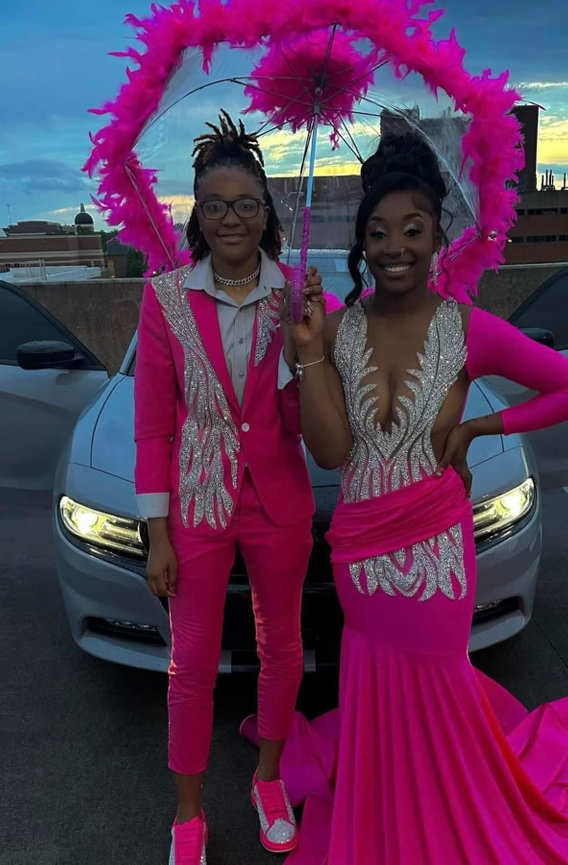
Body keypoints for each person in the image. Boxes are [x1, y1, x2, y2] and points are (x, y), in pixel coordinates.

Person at [246, 133, 568, 864]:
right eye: (378, 232)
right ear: (362, 242)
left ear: (437, 237)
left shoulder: (466, 327)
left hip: (435, 549)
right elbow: (329, 452)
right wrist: (309, 351)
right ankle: (393, 806)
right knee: (377, 687)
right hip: (361, 549)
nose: (395, 248)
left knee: (439, 681)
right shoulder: (338, 328)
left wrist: (484, 425)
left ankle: (449, 812)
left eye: (412, 230)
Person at [134, 111, 319, 863]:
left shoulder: (296, 297)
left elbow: (307, 425)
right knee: (190, 662)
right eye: (216, 204)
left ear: (268, 211)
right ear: (197, 214)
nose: (232, 217)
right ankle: (189, 815)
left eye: (246, 203)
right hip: (196, 502)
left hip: (279, 500)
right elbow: (153, 425)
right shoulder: (165, 297)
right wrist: (156, 532)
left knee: (283, 646)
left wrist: (306, 353)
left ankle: (267, 780)